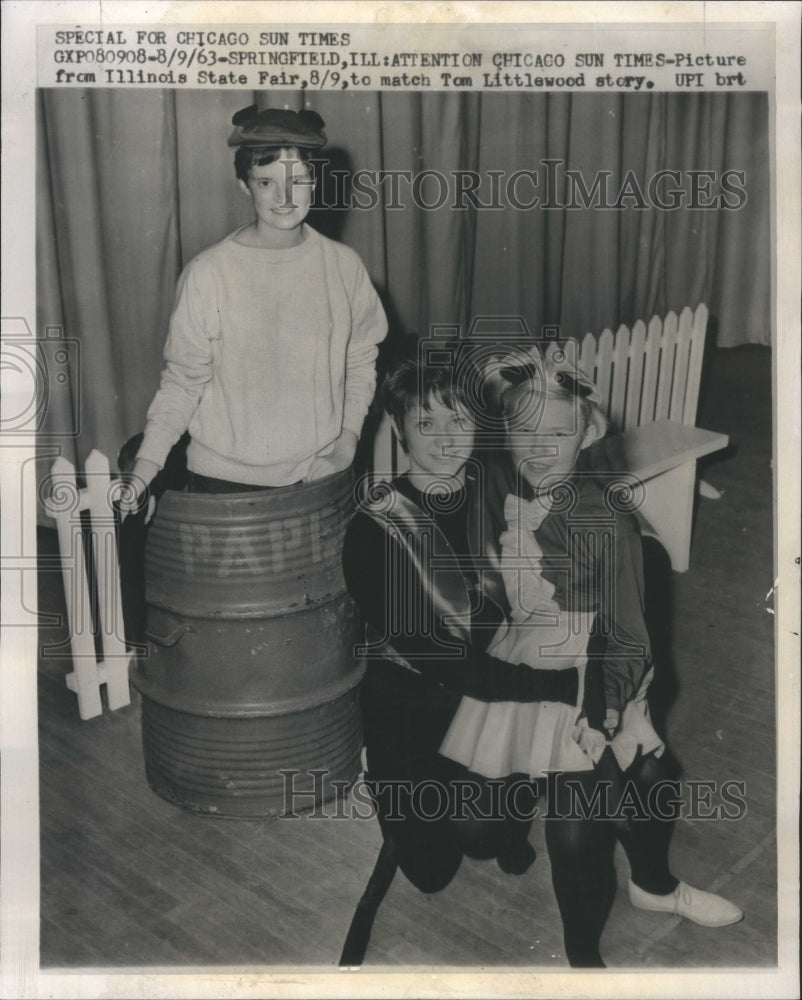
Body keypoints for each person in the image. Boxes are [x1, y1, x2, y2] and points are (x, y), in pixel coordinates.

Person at [438, 342, 743, 967]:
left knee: (584, 827)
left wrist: (601, 714)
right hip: (524, 660)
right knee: (474, 830)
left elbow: (630, 636)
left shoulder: (605, 516)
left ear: (586, 436)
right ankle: (520, 809)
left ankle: (608, 939)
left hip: (594, 669)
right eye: (526, 430)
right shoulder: (499, 488)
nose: (541, 447)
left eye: (559, 431)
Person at [341, 352, 582, 909]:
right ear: (398, 430)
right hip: (414, 711)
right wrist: (560, 686)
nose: (447, 438)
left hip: (494, 691)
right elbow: (444, 660)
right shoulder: (374, 529)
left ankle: (513, 804)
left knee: (483, 833)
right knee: (430, 873)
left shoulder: (494, 492)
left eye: (460, 420)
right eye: (427, 423)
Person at [125, 104, 387, 509]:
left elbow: (360, 361)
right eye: (266, 182)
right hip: (222, 484)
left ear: (315, 181)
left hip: (319, 476)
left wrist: (345, 446)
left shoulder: (343, 266)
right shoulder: (208, 273)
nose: (284, 198)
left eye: (297, 180)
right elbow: (183, 381)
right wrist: (145, 470)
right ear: (245, 186)